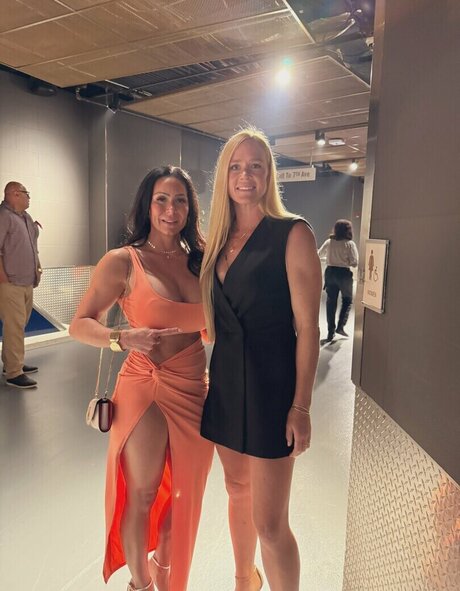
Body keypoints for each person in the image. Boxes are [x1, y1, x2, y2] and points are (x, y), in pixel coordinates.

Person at [70, 166, 214, 591]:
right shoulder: (123, 261)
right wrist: (121, 337)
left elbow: (217, 323)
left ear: (190, 209)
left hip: (194, 386)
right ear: (147, 207)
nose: (171, 210)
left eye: (180, 200)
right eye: (161, 200)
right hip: (144, 385)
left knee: (185, 498)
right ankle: (142, 584)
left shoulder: (203, 261)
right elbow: (80, 323)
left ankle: (166, 574)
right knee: (143, 494)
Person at [200, 128, 322, 591]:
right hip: (227, 384)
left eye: (255, 166)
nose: (245, 175)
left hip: (273, 388)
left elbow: (308, 328)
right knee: (236, 489)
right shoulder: (216, 241)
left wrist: (301, 406)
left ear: (269, 174)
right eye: (235, 166)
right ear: (224, 176)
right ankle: (243, 581)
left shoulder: (292, 233)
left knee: (271, 524)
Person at [0, 181, 41, 389]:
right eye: (26, 193)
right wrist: (2, 277)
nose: (29, 197)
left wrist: (37, 269)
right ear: (15, 194)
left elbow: (32, 247)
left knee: (19, 325)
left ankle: (12, 363)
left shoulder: (25, 217)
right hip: (11, 283)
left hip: (26, 281)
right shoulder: (3, 216)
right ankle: (14, 373)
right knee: (14, 326)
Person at [317, 219, 359, 341]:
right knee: (347, 300)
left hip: (330, 273)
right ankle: (340, 326)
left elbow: (319, 254)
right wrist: (345, 261)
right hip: (344, 274)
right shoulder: (350, 244)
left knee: (331, 302)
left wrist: (328, 259)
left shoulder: (329, 242)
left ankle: (330, 332)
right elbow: (354, 262)